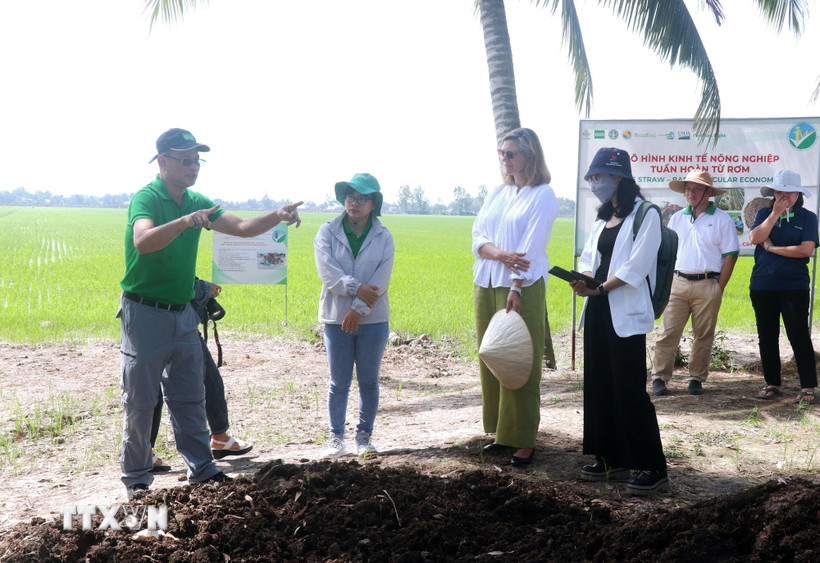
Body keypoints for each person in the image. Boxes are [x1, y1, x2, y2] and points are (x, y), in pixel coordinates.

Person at [119, 127, 302, 498]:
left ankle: (202, 469)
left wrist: (276, 215)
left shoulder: (197, 200)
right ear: (163, 161)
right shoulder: (147, 198)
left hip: (183, 313)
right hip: (145, 313)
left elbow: (243, 228)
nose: (193, 166)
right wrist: (186, 222)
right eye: (186, 160)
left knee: (189, 395)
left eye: (197, 160)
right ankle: (137, 480)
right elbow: (143, 240)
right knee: (141, 400)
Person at [571, 147, 668, 495]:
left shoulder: (646, 215)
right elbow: (588, 257)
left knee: (628, 387)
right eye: (592, 177)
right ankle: (610, 456)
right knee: (599, 383)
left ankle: (652, 466)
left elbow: (636, 267)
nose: (595, 182)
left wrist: (601, 288)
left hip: (622, 309)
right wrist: (583, 280)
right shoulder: (602, 218)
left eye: (600, 177)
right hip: (598, 307)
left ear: (620, 178)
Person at [472, 127, 558, 467]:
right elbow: (477, 235)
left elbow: (531, 248)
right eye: (501, 153)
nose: (504, 159)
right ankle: (501, 433)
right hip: (487, 281)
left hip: (519, 287)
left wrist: (516, 284)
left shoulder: (543, 194)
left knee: (520, 359)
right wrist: (499, 255)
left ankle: (524, 439)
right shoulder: (498, 192)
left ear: (529, 156)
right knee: (492, 355)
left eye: (511, 154)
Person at [314, 173, 394, 458]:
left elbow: (381, 282)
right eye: (350, 197)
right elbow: (328, 273)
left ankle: (364, 437)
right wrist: (356, 288)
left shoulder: (384, 237)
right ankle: (336, 437)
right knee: (339, 382)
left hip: (373, 321)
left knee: (369, 381)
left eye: (362, 198)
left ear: (374, 203)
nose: (354, 203)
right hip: (337, 319)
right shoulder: (327, 231)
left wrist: (358, 310)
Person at [149, 278, 253, 473]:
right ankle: (214, 444)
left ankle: (144, 452)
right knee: (204, 380)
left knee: (151, 388)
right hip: (172, 320)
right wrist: (204, 289)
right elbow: (170, 279)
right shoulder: (166, 249)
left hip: (160, 318)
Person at [651, 169, 739, 396]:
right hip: (677, 282)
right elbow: (668, 251)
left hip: (708, 283)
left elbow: (731, 255)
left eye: (696, 189)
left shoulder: (722, 220)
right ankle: (660, 377)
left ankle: (696, 379)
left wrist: (719, 287)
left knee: (703, 335)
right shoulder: (677, 217)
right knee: (667, 332)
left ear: (708, 192)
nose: (690, 193)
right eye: (688, 189)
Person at [748, 169, 819, 404]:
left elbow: (805, 250)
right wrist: (775, 214)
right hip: (762, 284)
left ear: (798, 194)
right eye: (778, 191)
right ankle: (772, 383)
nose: (783, 196)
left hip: (794, 285)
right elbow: (756, 237)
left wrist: (772, 248)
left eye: (788, 192)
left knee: (798, 334)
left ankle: (808, 386)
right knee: (767, 335)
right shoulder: (763, 213)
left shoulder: (807, 218)